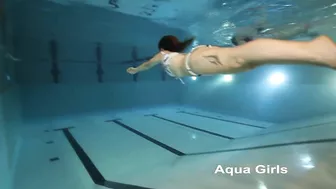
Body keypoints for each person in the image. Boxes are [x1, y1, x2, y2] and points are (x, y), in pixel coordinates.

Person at [126, 35, 336, 82]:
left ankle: (316, 49)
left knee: (239, 58)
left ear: (163, 47)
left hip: (195, 62)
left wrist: (136, 70)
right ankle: (316, 57)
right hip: (198, 64)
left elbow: (147, 64)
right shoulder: (173, 55)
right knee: (251, 63)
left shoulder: (164, 54)